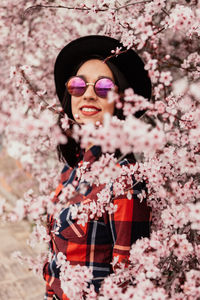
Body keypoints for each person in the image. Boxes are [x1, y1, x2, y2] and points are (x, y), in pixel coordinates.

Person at [43, 35, 152, 300]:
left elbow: (129, 279)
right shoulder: (71, 170)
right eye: (78, 85)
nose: (88, 93)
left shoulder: (126, 179)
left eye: (104, 87)